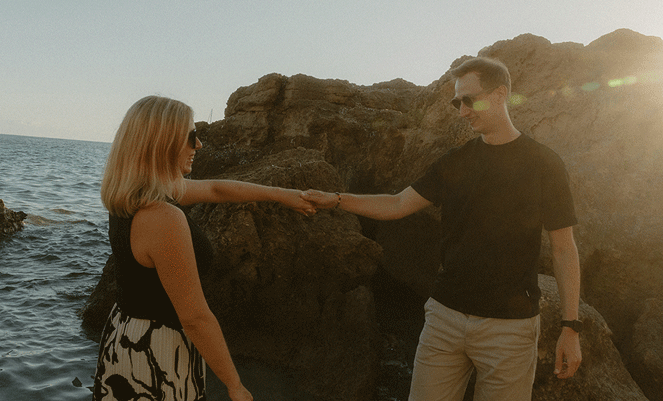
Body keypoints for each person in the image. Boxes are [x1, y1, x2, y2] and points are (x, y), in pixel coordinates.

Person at [303, 57, 582, 401]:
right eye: (456, 103)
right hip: (444, 320)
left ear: (501, 95)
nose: (462, 111)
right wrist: (335, 200)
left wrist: (570, 327)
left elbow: (564, 248)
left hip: (509, 330)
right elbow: (398, 204)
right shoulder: (456, 161)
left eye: (469, 100)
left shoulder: (544, 164)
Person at [92, 95, 316, 401]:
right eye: (191, 136)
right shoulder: (163, 218)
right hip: (154, 350)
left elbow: (215, 188)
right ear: (162, 143)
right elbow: (195, 317)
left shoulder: (132, 197)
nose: (199, 146)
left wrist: (282, 195)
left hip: (125, 335)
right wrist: (235, 386)